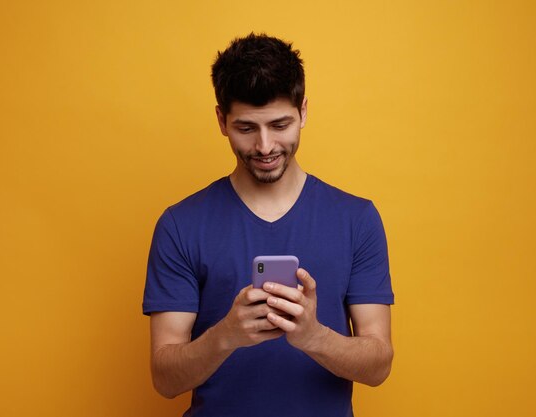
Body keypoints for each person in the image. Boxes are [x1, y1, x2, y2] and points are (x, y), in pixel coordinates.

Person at [143, 33, 394, 417]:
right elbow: (165, 380)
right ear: (221, 120)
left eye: (280, 125)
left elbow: (379, 365)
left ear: (303, 112)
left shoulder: (357, 219)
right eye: (247, 128)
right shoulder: (181, 225)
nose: (265, 146)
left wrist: (314, 337)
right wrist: (227, 335)